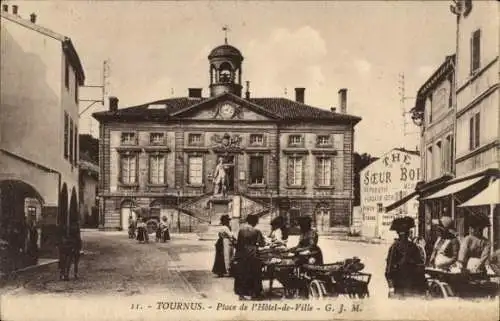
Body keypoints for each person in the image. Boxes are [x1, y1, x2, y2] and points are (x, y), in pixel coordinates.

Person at [385, 216, 427, 298]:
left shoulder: (397, 247)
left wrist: (391, 288)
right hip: (406, 286)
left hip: (406, 286)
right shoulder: (411, 246)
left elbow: (389, 270)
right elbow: (389, 270)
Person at [233, 214, 266, 300]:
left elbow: (238, 243)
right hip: (253, 253)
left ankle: (241, 294)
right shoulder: (256, 231)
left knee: (242, 273)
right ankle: (254, 293)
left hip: (242, 253)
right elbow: (262, 244)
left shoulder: (241, 230)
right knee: (255, 273)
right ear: (255, 222)